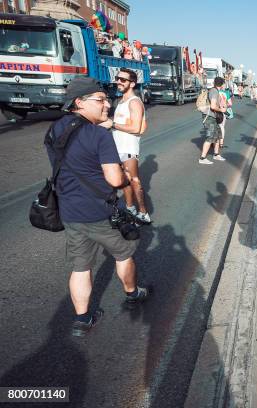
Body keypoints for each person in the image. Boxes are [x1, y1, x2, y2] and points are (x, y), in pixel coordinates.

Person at [45, 77, 149, 337]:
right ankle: (132, 293)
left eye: (106, 100)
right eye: (100, 100)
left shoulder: (54, 129)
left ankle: (82, 319)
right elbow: (114, 179)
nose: (106, 105)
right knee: (124, 253)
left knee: (81, 266)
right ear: (79, 102)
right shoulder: (98, 135)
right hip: (99, 211)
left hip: (68, 209)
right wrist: (127, 178)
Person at [106, 68, 151, 224]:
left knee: (134, 180)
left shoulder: (134, 102)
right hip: (118, 148)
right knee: (124, 180)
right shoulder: (122, 101)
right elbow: (144, 126)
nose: (118, 81)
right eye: (118, 78)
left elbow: (136, 128)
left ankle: (143, 213)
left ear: (132, 84)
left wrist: (112, 124)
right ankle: (130, 208)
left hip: (128, 148)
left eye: (123, 80)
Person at [199, 77, 227, 164]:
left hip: (214, 117)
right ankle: (202, 158)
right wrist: (221, 110)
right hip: (209, 117)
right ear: (222, 84)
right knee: (210, 137)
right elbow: (213, 106)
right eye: (224, 84)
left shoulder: (215, 91)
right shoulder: (214, 91)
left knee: (218, 136)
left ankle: (216, 154)